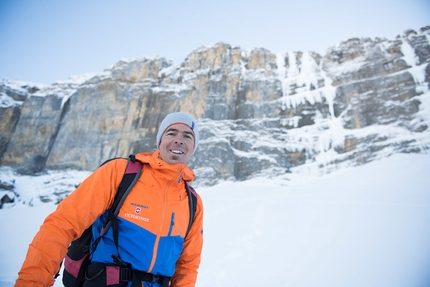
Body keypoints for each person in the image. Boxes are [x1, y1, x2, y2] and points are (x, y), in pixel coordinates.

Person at [15, 112, 204, 287]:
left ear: (193, 148)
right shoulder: (120, 172)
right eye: (172, 133)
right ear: (160, 140)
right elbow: (62, 224)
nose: (179, 140)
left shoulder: (192, 202)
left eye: (188, 136)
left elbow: (187, 265)